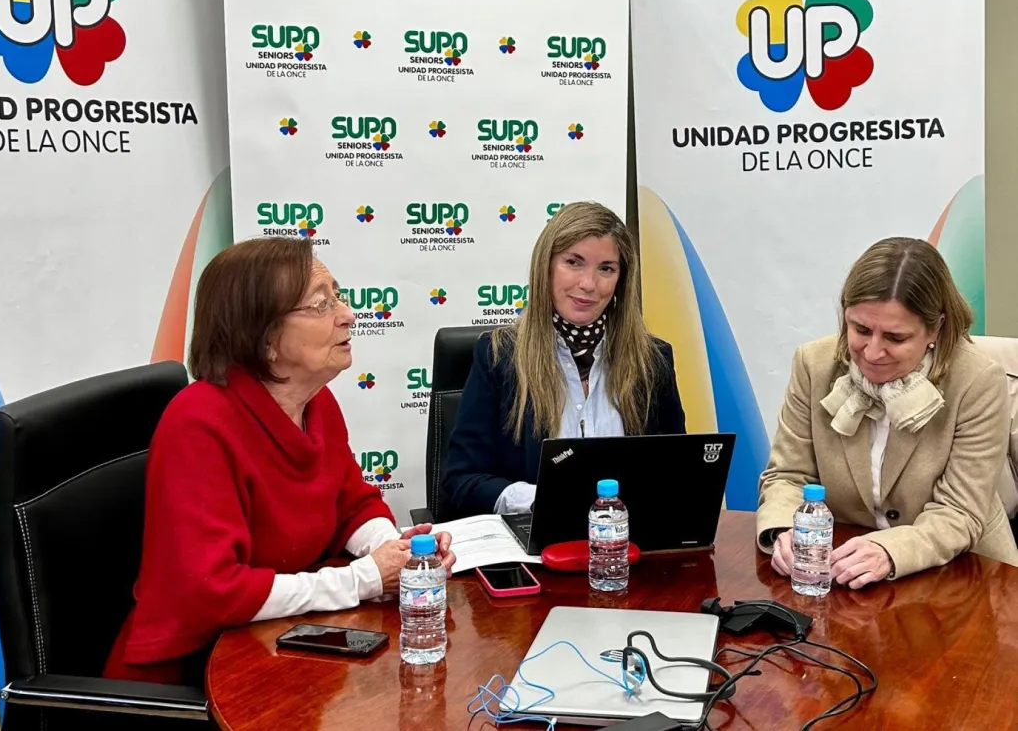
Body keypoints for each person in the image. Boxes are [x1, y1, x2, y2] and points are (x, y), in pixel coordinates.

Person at [103, 237, 455, 684]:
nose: (348, 314)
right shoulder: (199, 422)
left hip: (282, 650)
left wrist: (396, 555)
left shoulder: (317, 403)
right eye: (321, 304)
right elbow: (214, 590)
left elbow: (353, 504)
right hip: (191, 676)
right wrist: (364, 579)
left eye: (339, 297)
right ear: (266, 337)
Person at [758, 237, 1018, 589]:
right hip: (842, 573)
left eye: (895, 338)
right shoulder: (813, 364)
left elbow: (960, 512)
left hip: (964, 574)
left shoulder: (978, 381)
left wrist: (889, 552)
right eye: (860, 329)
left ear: (935, 329)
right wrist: (787, 531)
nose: (872, 352)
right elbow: (787, 475)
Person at [441, 201, 686, 518]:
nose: (588, 284)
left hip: (629, 545)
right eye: (574, 262)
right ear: (546, 266)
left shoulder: (653, 360)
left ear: (621, 280)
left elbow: (680, 470)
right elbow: (461, 481)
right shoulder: (499, 356)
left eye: (606, 269)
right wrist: (545, 498)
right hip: (533, 551)